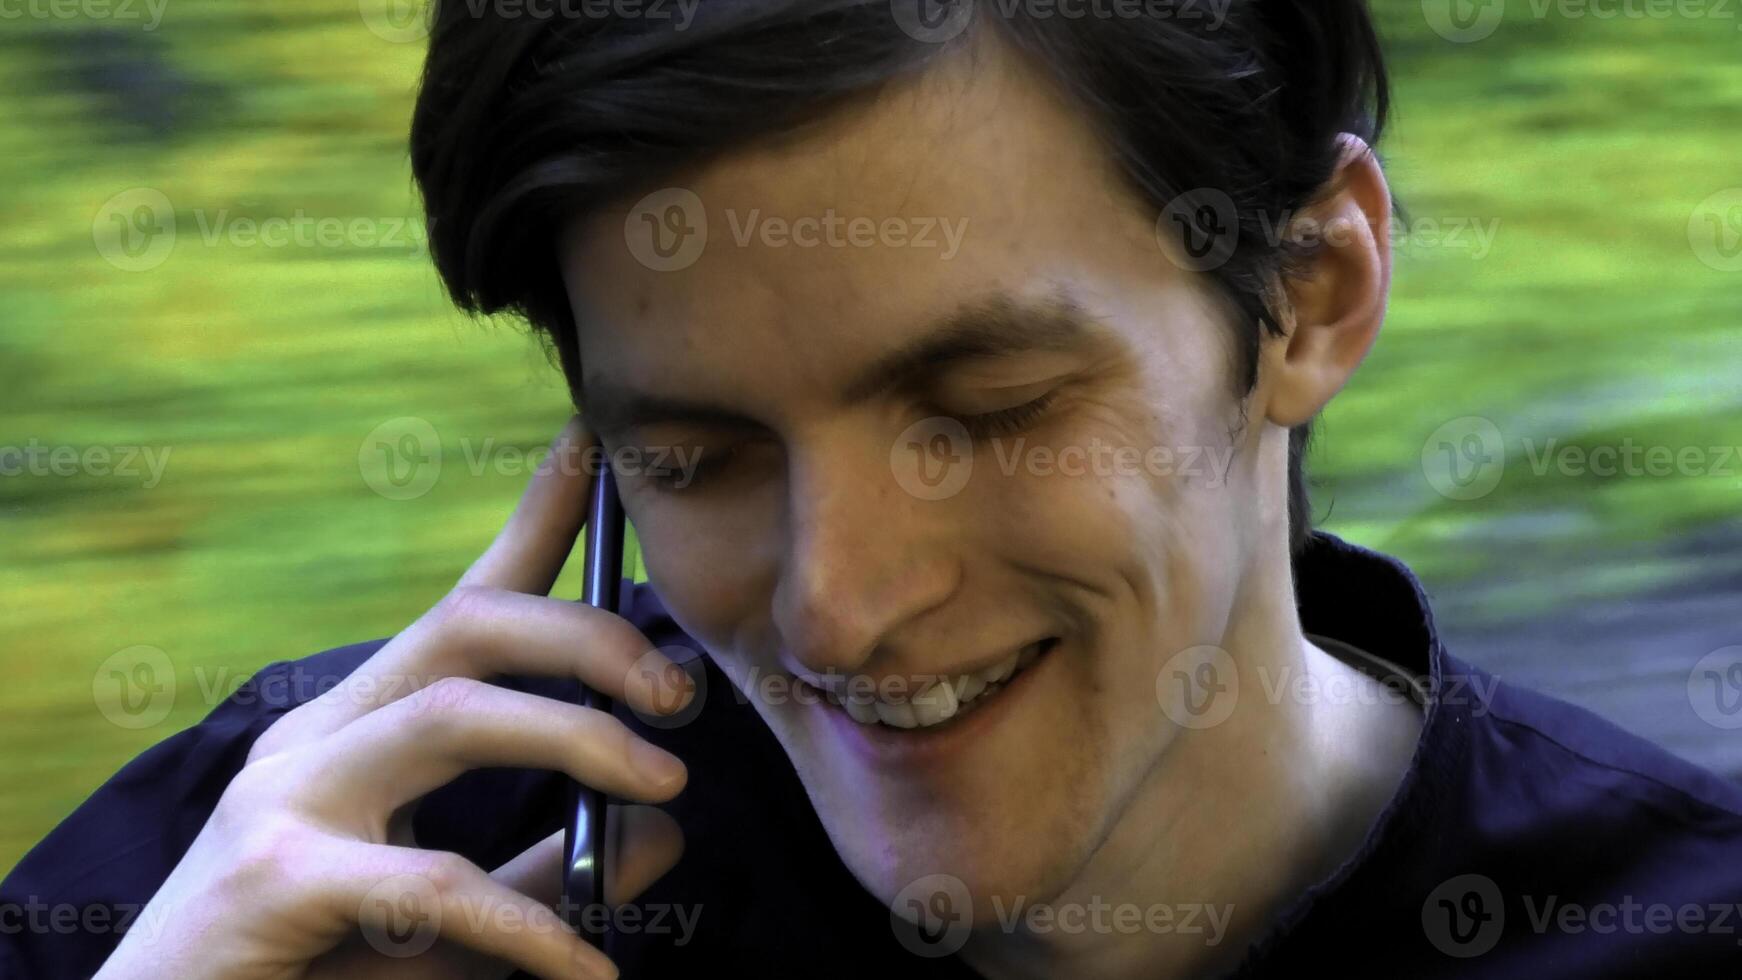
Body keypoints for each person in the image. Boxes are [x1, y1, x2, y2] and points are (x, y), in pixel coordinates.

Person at [7, 3, 1741, 978]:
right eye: (691, 458)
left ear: (1306, 299)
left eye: (981, 410)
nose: (838, 606)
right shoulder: (310, 863)